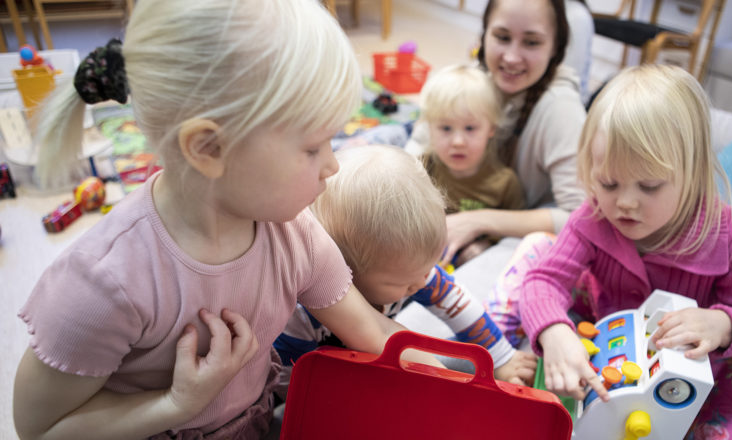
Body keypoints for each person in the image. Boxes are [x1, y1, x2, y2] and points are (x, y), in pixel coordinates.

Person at [13, 1, 439, 438]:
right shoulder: (103, 283)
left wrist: (462, 379)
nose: (333, 165)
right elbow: (41, 430)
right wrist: (174, 405)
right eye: (314, 147)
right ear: (208, 149)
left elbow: (370, 328)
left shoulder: (296, 233)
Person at [517, 65, 732, 438]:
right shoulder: (593, 216)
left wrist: (722, 324)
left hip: (691, 370)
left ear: (693, 174)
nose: (625, 203)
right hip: (608, 349)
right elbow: (543, 281)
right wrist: (554, 334)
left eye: (649, 186)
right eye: (609, 182)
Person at [274, 145, 538, 386]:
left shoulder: (413, 271)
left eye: (429, 267)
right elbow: (286, 379)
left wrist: (502, 358)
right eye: (403, 283)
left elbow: (460, 306)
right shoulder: (298, 316)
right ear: (347, 273)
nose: (423, 282)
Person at [407, 0, 588, 266]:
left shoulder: (561, 110)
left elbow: (583, 219)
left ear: (555, 49)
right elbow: (417, 145)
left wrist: (475, 221)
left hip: (512, 231)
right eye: (502, 37)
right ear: (484, 35)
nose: (512, 57)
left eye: (532, 42)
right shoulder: (476, 79)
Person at [418, 64, 524, 264]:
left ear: (491, 129)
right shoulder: (423, 167)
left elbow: (513, 235)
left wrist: (486, 245)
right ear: (430, 128)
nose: (458, 141)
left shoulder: (505, 183)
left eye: (470, 128)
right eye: (446, 128)